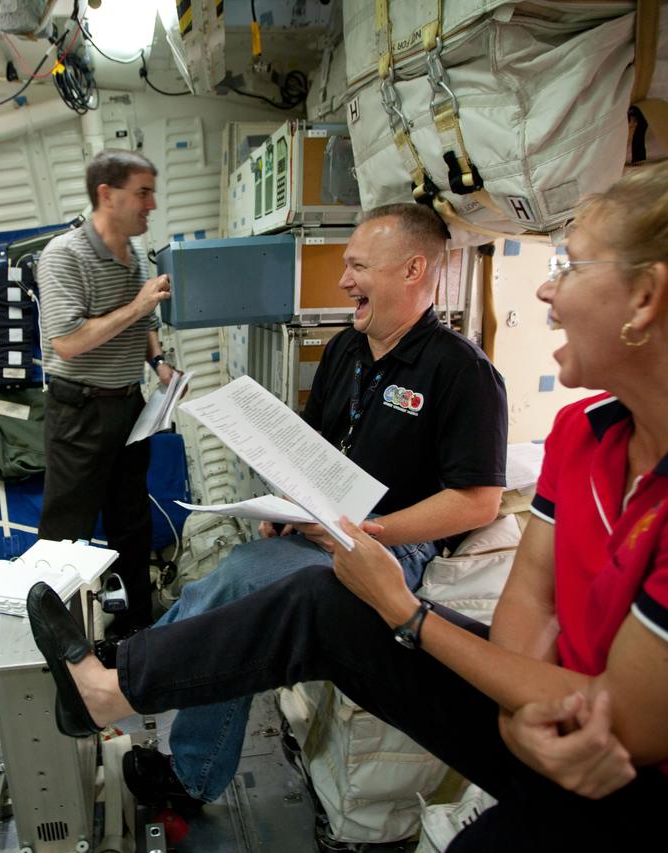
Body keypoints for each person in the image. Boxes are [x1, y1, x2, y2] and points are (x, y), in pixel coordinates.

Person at [28, 142, 668, 849]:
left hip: (641, 773)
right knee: (291, 594)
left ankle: (143, 708)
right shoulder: (584, 431)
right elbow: (527, 616)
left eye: (569, 263)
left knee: (239, 586)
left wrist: (393, 581)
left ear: (647, 299)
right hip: (530, 693)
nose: (546, 287)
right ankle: (110, 684)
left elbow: (606, 712)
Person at [126, 203, 508, 808]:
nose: (342, 280)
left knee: (238, 583)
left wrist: (371, 532)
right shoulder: (345, 352)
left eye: (357, 266)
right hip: (324, 526)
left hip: (390, 544)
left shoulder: (461, 371)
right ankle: (135, 677)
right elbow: (309, 449)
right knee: (232, 582)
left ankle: (145, 712)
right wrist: (286, 507)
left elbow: (477, 501)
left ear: (413, 271)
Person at [37, 149, 176, 636]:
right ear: (107, 194)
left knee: (131, 524)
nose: (151, 204)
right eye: (142, 192)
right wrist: (139, 308)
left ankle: (137, 624)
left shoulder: (132, 255)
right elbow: (69, 342)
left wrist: (157, 361)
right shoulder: (64, 256)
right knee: (65, 533)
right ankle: (61, 635)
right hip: (80, 412)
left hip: (127, 407)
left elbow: (143, 324)